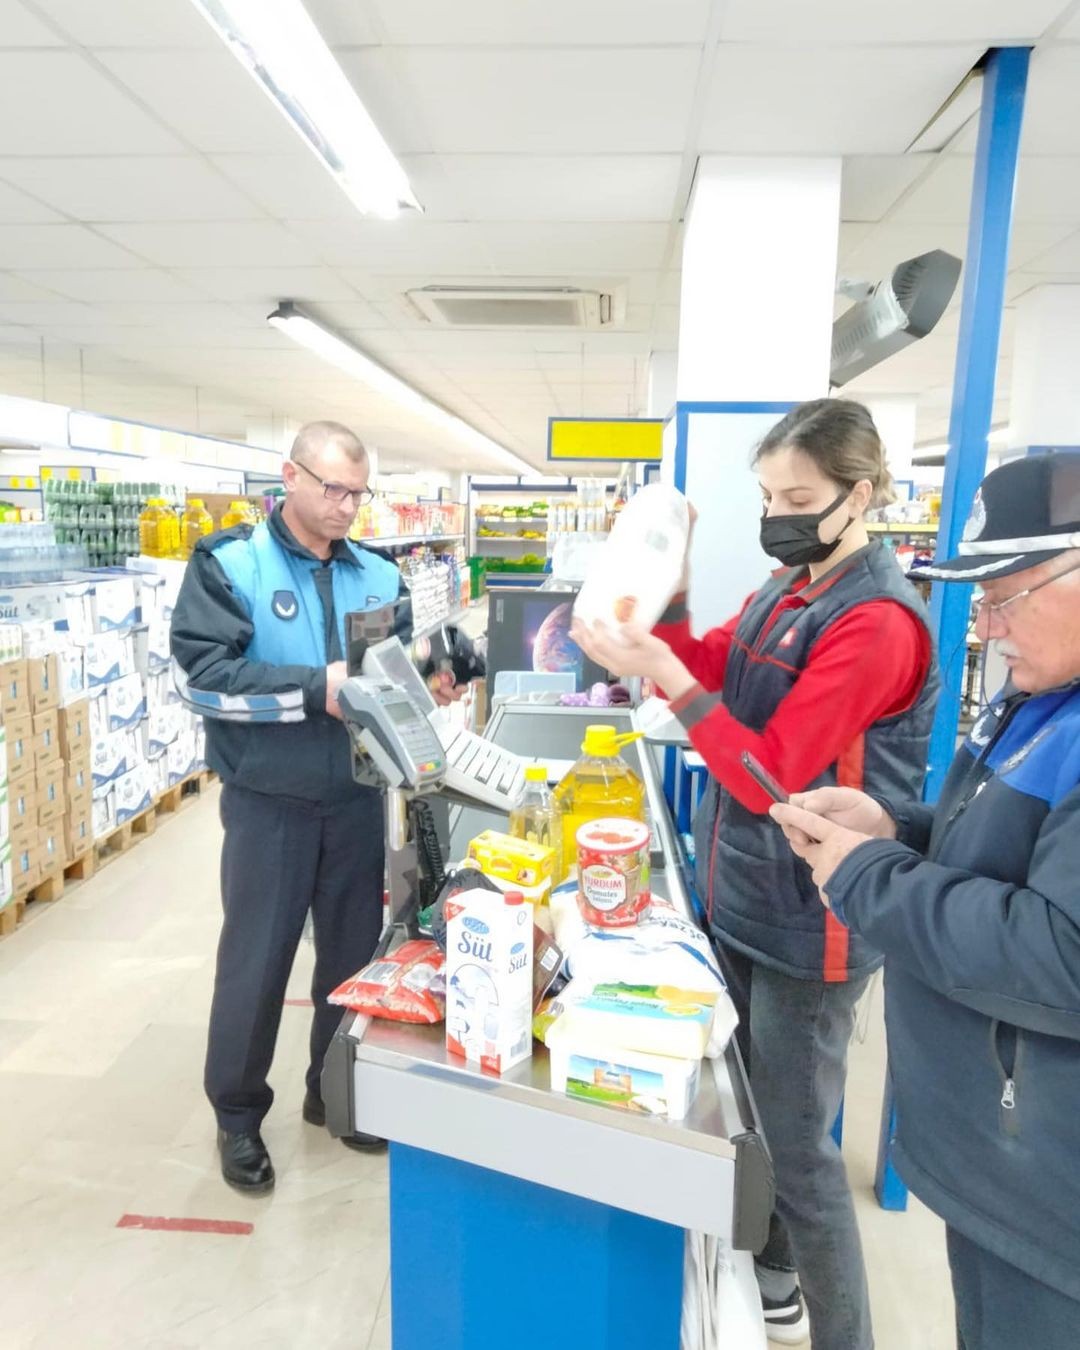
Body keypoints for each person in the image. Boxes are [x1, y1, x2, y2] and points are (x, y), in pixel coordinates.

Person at [573, 398, 939, 1349]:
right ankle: (771, 1281)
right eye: (768, 493)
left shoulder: (880, 623)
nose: (779, 512)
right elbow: (716, 667)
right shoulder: (790, 589)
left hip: (812, 921)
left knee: (801, 1154)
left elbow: (771, 767)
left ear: (860, 495)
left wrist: (672, 676)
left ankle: (843, 1335)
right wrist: (661, 612)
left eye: (801, 495)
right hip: (742, 893)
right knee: (748, 1110)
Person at [771, 452, 1080, 1350]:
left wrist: (867, 874)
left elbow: (1062, 952)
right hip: (997, 1166)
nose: (985, 623)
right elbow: (998, 855)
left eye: (1007, 593)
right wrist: (895, 827)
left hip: (1054, 1193)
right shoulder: (1041, 698)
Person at [170, 420, 468, 1195]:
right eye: (331, 488)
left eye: (357, 494)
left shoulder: (377, 574)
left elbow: (392, 668)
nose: (344, 508)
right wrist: (316, 692)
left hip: (357, 799)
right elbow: (202, 679)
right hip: (269, 802)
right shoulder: (230, 565)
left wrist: (431, 679)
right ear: (290, 476)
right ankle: (237, 1117)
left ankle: (329, 1090)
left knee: (349, 961)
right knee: (256, 964)